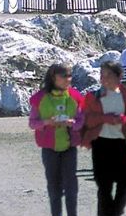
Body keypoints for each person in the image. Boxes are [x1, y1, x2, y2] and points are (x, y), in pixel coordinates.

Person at [83, 60, 126, 216]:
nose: (104, 79)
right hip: (101, 143)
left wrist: (124, 120)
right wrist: (106, 118)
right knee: (104, 186)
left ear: (119, 77)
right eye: (101, 75)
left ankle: (114, 213)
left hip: (122, 144)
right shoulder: (94, 97)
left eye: (108, 75)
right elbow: (85, 120)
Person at [29, 63, 85, 216]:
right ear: (54, 78)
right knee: (54, 188)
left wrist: (72, 124)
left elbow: (81, 120)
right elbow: (32, 123)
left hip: (69, 147)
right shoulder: (40, 98)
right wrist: (47, 123)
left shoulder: (75, 97)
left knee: (71, 188)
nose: (68, 79)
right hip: (49, 148)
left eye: (69, 75)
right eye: (64, 76)